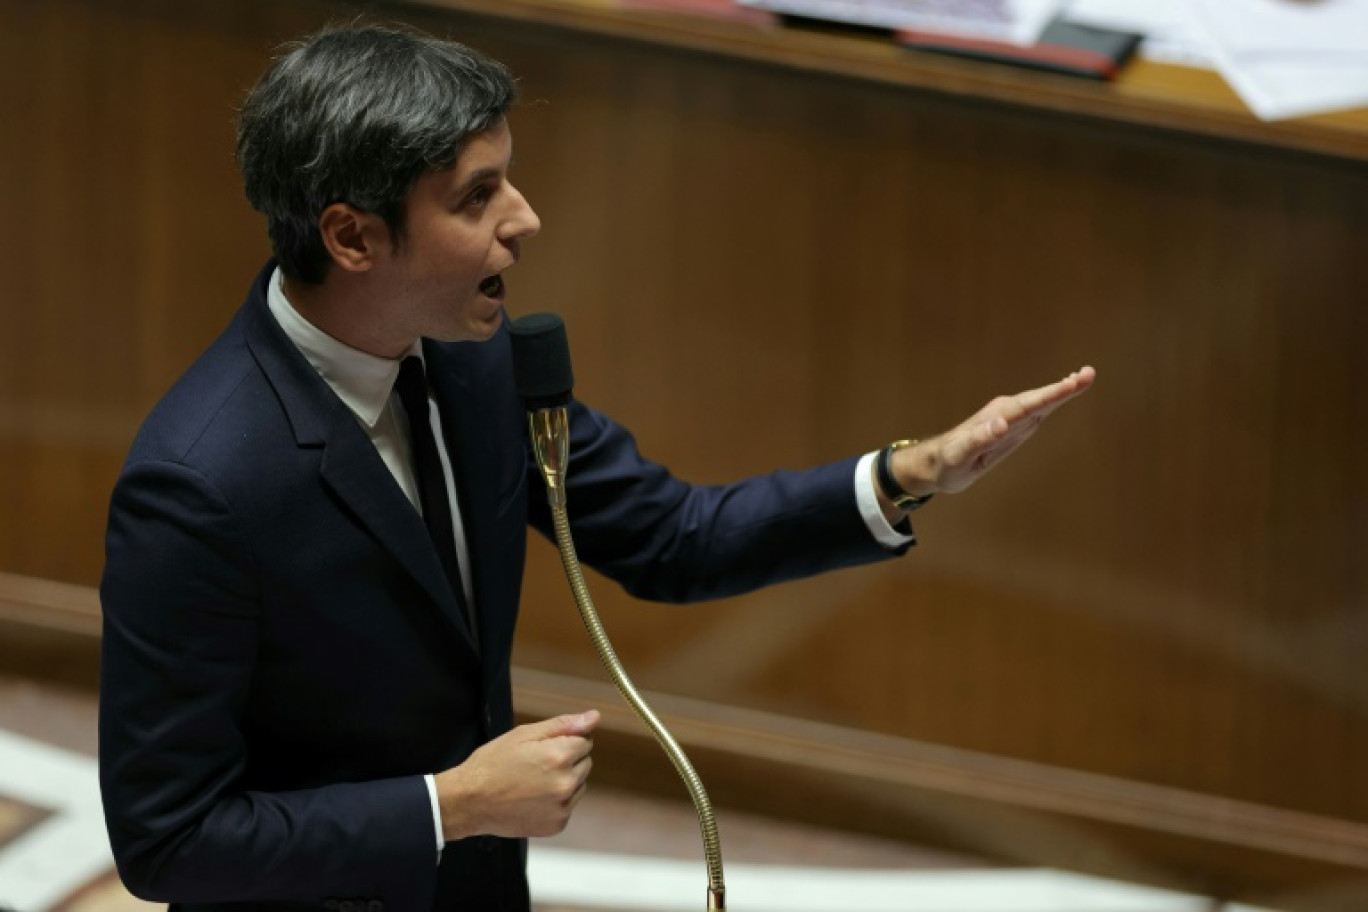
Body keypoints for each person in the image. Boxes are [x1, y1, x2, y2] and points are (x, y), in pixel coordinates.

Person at [97, 22, 1095, 912]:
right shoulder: (201, 484)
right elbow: (170, 842)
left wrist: (909, 472)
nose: (524, 221)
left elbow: (672, 539)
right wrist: (451, 805)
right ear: (353, 235)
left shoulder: (477, 363)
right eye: (477, 197)